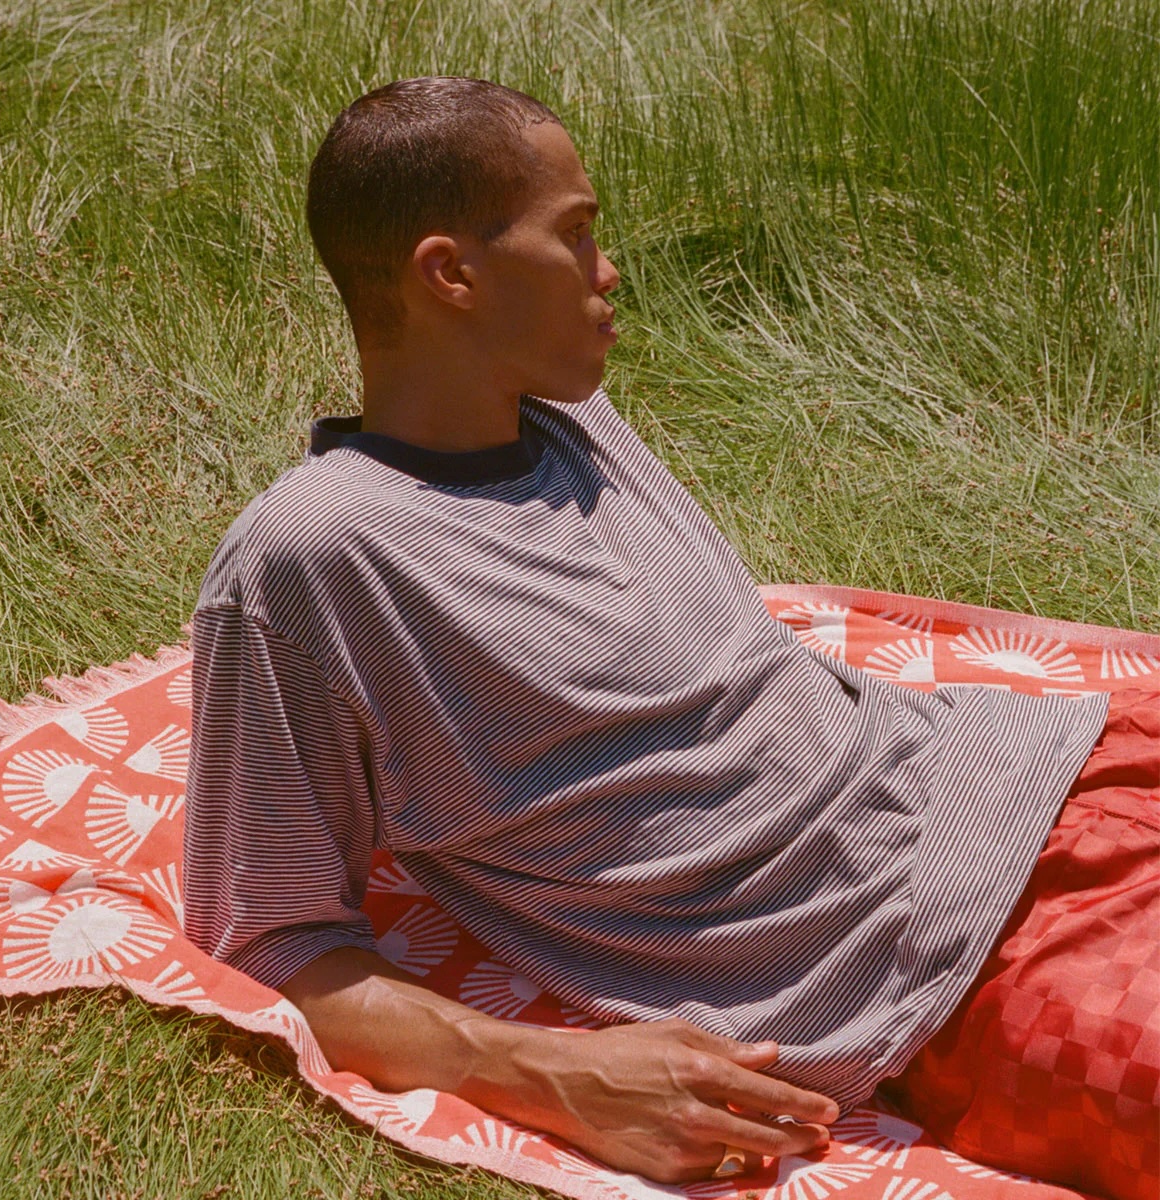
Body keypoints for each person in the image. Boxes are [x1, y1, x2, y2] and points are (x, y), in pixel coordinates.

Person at [183, 77, 1157, 1198]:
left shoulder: (566, 417)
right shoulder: (318, 559)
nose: (608, 271)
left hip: (1029, 769)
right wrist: (548, 1072)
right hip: (927, 957)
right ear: (451, 275)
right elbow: (266, 937)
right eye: (575, 234)